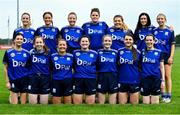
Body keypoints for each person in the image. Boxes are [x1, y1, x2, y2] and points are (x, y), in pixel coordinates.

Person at [153, 13, 175, 103]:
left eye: (162, 18)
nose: (160, 20)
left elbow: (173, 45)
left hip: (166, 55)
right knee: (159, 76)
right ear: (157, 20)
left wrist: (171, 57)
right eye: (158, 19)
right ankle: (163, 94)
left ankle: (168, 95)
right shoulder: (154, 31)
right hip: (157, 55)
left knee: (167, 76)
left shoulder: (170, 31)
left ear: (165, 19)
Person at [3, 33, 30, 104]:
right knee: (14, 104)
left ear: (23, 41)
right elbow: (5, 68)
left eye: (21, 39)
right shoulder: (8, 52)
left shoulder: (27, 53)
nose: (19, 40)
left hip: (24, 79)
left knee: (23, 104)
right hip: (13, 79)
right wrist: (7, 82)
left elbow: (29, 67)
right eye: (17, 39)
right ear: (14, 40)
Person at [140, 34, 165, 104]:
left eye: (150, 40)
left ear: (154, 41)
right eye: (147, 40)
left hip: (156, 79)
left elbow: (162, 67)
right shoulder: (142, 52)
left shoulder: (159, 52)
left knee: (155, 103)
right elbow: (138, 65)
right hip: (145, 79)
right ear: (145, 41)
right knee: (146, 103)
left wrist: (163, 80)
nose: (149, 42)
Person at [73, 35, 98, 104]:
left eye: (86, 41)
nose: (84, 43)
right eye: (83, 41)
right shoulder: (75, 53)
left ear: (89, 43)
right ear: (80, 43)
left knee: (90, 104)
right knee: (77, 104)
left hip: (91, 79)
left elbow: (97, 66)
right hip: (78, 79)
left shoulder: (95, 53)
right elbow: (73, 65)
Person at [117, 33, 141, 104]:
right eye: (126, 39)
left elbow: (140, 66)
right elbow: (116, 64)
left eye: (130, 39)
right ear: (123, 40)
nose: (128, 41)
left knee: (134, 104)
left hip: (134, 81)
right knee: (122, 104)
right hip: (122, 80)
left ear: (133, 41)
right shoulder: (119, 51)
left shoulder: (137, 52)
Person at [28, 36, 51, 104]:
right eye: (37, 42)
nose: (39, 44)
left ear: (43, 43)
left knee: (43, 103)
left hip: (45, 79)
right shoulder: (31, 53)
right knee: (32, 103)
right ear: (34, 44)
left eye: (40, 42)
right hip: (33, 78)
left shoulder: (48, 53)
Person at [97, 35, 118, 104]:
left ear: (111, 42)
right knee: (101, 103)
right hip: (102, 76)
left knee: (112, 104)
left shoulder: (115, 53)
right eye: (105, 41)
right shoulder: (98, 52)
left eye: (109, 41)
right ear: (102, 42)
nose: (107, 42)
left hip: (113, 76)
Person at [51, 38, 73, 104]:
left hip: (68, 81)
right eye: (60, 45)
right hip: (56, 80)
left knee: (68, 103)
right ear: (57, 46)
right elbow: (50, 68)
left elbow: (74, 67)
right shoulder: (52, 56)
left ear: (66, 46)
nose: (62, 46)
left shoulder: (71, 56)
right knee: (56, 104)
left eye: (64, 45)